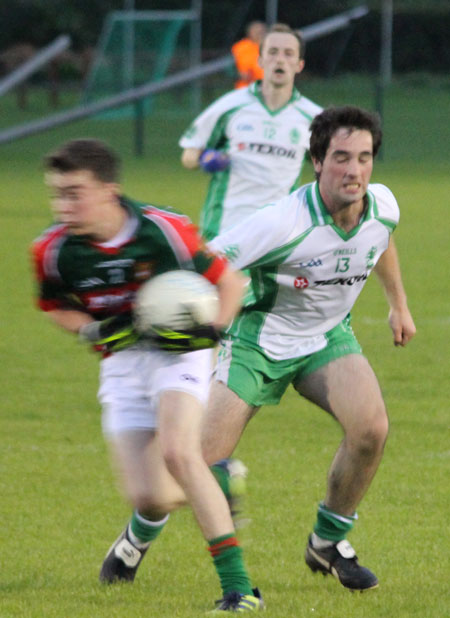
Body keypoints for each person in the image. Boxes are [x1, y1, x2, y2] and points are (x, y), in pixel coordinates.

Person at [30, 138, 264, 612]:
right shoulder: (53, 250)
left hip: (179, 355)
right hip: (122, 364)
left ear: (110, 190)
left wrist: (210, 329)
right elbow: (55, 307)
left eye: (75, 193)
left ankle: (239, 590)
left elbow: (231, 283)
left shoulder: (164, 231)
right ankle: (212, 481)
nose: (63, 206)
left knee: (179, 452)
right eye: (57, 194)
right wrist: (94, 329)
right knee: (150, 495)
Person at [180, 23, 323, 241]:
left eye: (288, 53)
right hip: (224, 232)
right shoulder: (230, 106)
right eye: (273, 52)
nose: (280, 59)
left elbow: (329, 168)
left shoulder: (314, 118)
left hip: (276, 237)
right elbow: (188, 155)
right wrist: (204, 158)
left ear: (299, 64)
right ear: (260, 60)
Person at [231, 21, 266, 90]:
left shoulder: (271, 47)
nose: (259, 34)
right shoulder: (241, 47)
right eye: (256, 31)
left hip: (266, 87)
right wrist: (239, 74)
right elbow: (231, 68)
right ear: (249, 32)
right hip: (245, 87)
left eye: (261, 31)